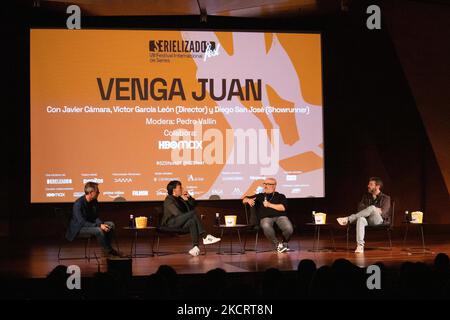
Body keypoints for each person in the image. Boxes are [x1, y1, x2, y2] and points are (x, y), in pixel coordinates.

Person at [162, 180, 221, 257]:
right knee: (193, 213)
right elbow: (177, 214)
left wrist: (189, 197)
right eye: (180, 187)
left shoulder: (180, 199)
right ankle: (205, 236)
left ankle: (195, 247)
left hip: (180, 222)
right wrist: (188, 215)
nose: (182, 189)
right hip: (170, 223)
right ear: (174, 190)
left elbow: (194, 205)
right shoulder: (169, 200)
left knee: (192, 221)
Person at [337, 177, 391, 253]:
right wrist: (373, 209)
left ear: (377, 186)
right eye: (369, 184)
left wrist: (371, 209)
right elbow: (360, 208)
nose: (368, 186)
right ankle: (360, 246)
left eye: (371, 184)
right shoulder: (366, 197)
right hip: (366, 219)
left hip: (379, 220)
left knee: (371, 208)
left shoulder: (386, 198)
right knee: (360, 219)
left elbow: (383, 211)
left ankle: (348, 219)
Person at [65, 182, 119, 257]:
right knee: (99, 230)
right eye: (97, 191)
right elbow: (82, 222)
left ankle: (107, 249)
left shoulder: (94, 201)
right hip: (78, 228)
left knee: (110, 224)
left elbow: (95, 217)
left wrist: (100, 224)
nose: (99, 193)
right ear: (91, 193)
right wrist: (99, 226)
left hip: (90, 225)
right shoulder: (78, 204)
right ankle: (109, 251)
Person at [242, 178, 294, 253]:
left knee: (289, 228)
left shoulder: (280, 196)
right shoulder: (260, 196)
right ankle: (278, 245)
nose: (265, 186)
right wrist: (248, 200)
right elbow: (244, 199)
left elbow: (282, 208)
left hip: (280, 217)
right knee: (266, 225)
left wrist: (269, 205)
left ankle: (284, 243)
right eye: (264, 184)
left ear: (274, 186)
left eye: (268, 184)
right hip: (266, 218)